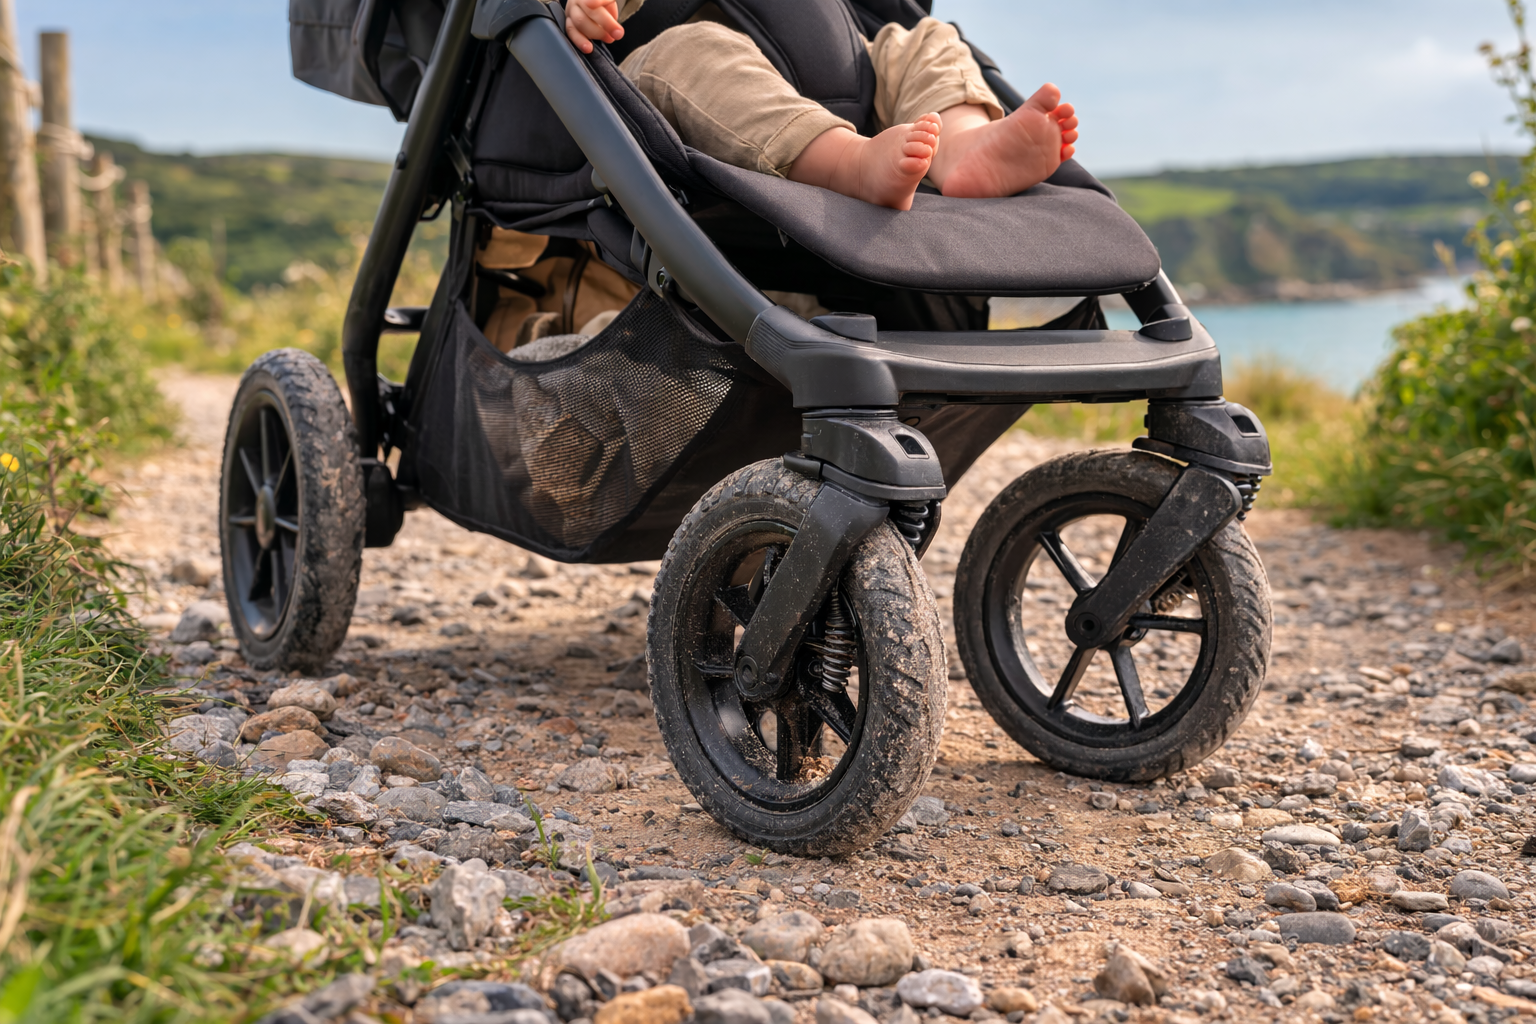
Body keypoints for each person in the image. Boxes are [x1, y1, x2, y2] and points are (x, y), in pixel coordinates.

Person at [560, 0, 1078, 212]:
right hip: (647, 88)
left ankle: (962, 142)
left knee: (923, 40)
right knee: (695, 53)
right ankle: (849, 163)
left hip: (833, 83)